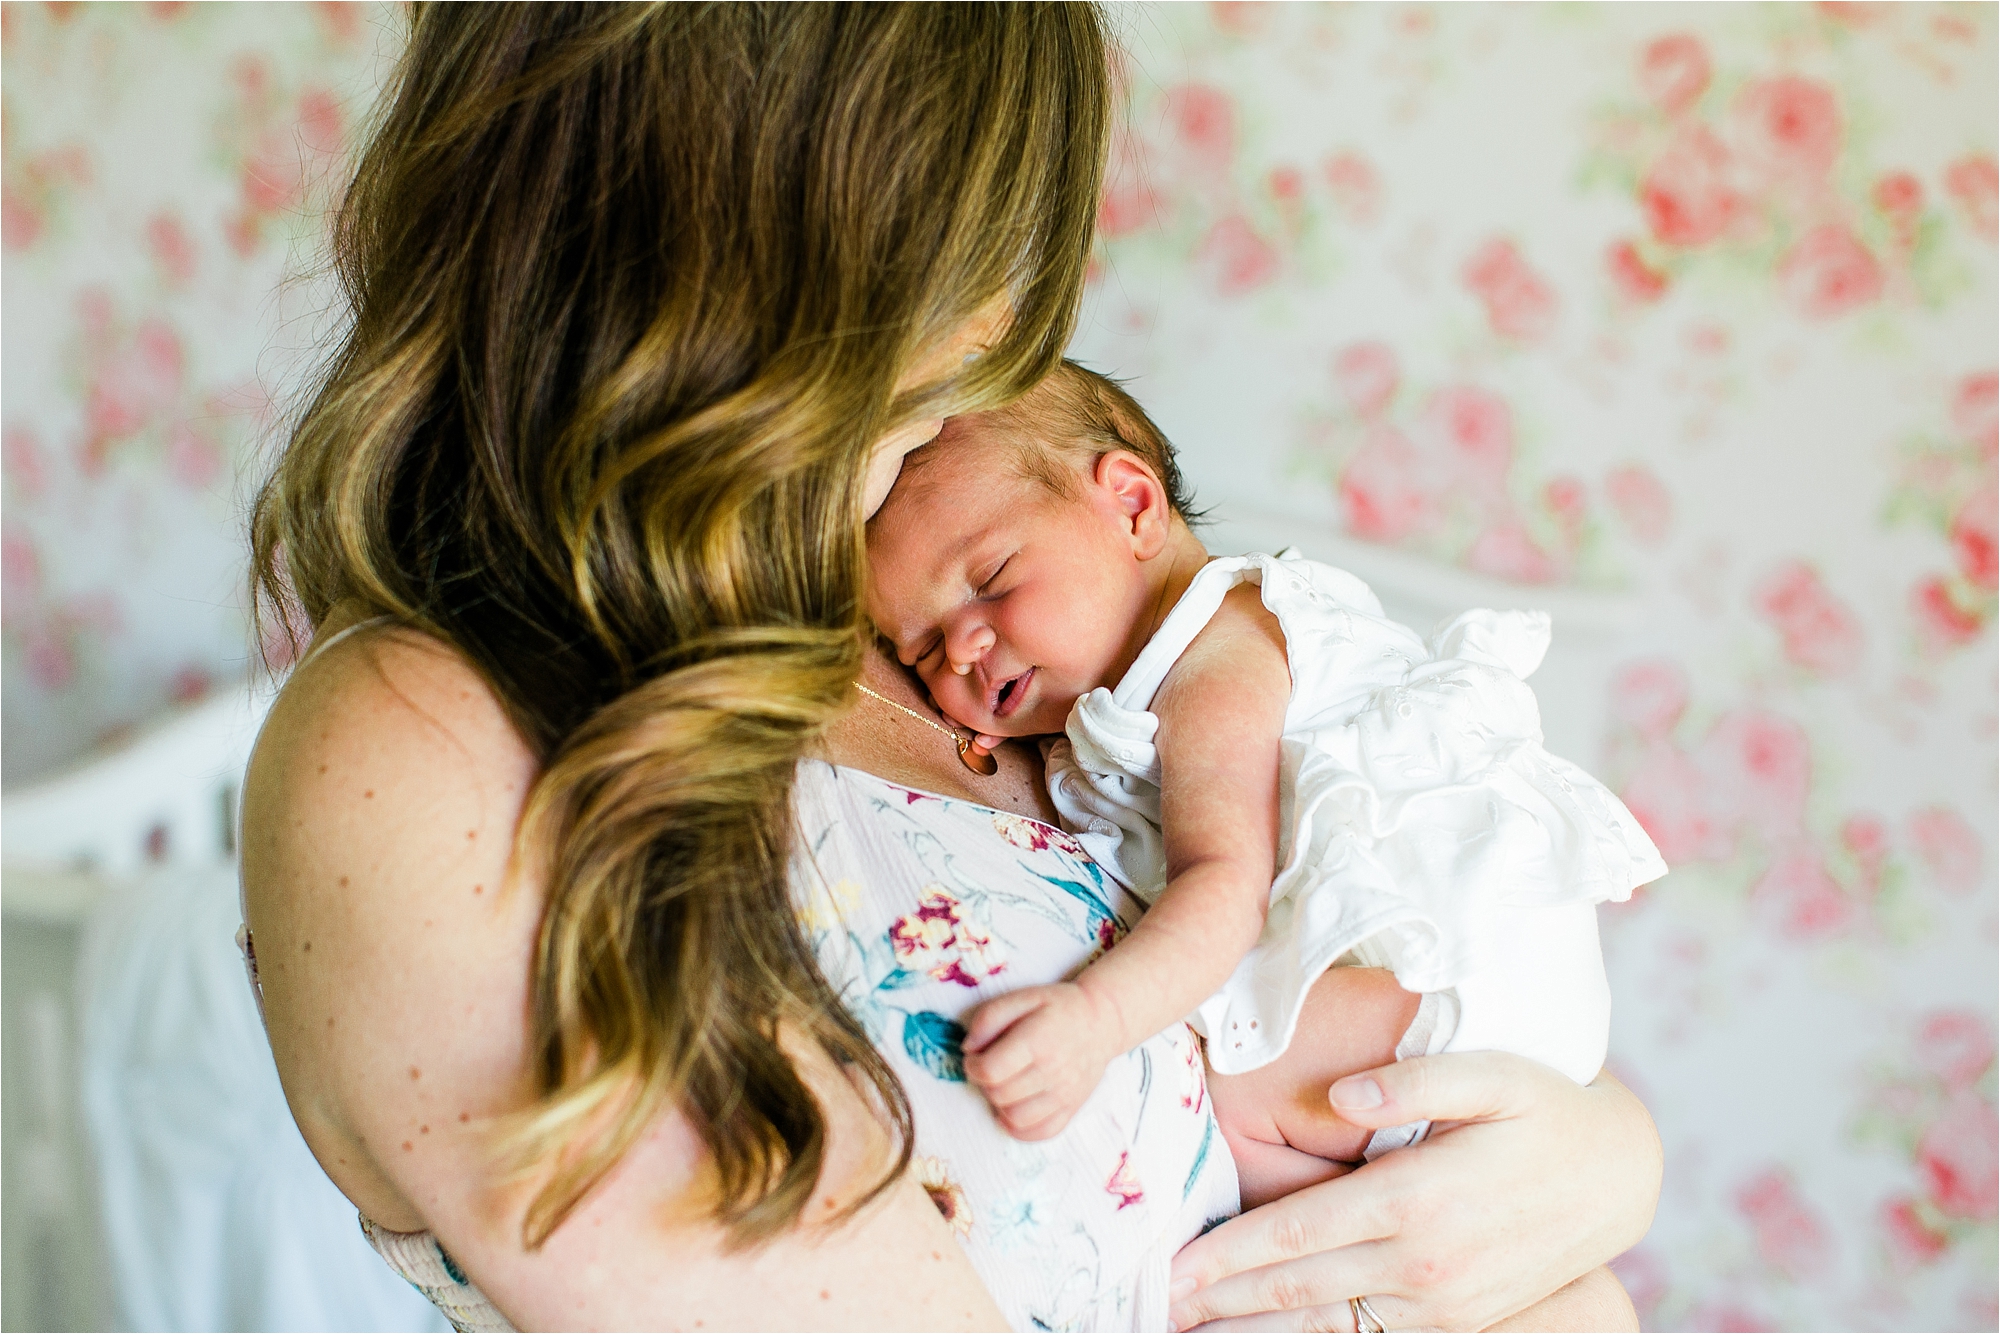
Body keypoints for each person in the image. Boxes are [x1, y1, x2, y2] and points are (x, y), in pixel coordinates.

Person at [239, 5, 1660, 1330]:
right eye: (968, 265)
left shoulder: (951, 627)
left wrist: (1601, 1162)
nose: (1008, 330)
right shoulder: (432, 746)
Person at [866, 360, 1669, 1210]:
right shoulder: (1143, 673)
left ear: (1133, 507)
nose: (959, 651)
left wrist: (1097, 1020)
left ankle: (1338, 1270)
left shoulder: (1215, 665)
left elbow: (1225, 884)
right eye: (922, 650)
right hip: (1461, 992)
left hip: (1454, 986)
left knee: (1224, 1097)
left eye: (990, 584)